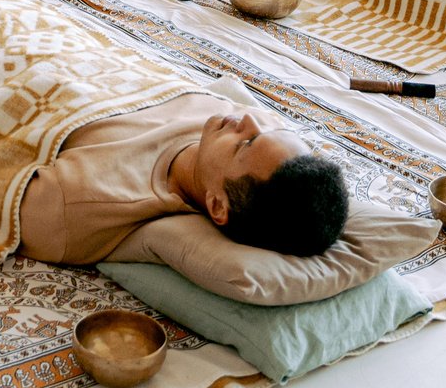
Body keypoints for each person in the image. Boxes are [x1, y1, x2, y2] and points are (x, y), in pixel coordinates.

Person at [19, 91, 351, 278]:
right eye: (267, 133)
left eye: (246, 144)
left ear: (218, 205)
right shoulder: (253, 125)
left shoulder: (81, 201)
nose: (249, 120)